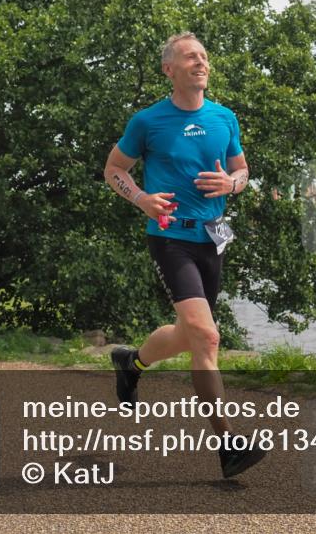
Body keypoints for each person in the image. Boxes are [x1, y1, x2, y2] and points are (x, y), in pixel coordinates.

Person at [104, 32, 263, 479]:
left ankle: (131, 362)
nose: (201, 62)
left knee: (189, 334)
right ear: (169, 69)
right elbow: (114, 169)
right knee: (207, 337)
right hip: (170, 238)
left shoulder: (224, 118)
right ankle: (229, 445)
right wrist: (141, 199)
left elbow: (242, 170)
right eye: (190, 57)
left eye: (204, 56)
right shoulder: (148, 121)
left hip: (212, 239)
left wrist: (232, 184)